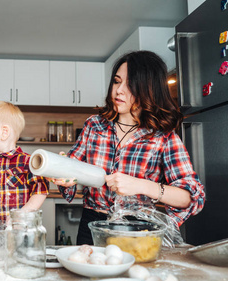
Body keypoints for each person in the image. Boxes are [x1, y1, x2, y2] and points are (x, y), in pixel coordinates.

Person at [53, 50, 206, 245]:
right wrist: (65, 174)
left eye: (130, 85)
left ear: (149, 89)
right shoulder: (94, 125)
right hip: (92, 225)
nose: (119, 90)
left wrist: (141, 185)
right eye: (117, 81)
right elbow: (73, 167)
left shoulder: (163, 136)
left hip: (138, 230)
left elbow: (191, 197)